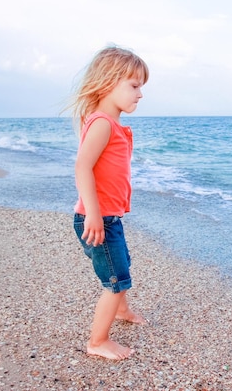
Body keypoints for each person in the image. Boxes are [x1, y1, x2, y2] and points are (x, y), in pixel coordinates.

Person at [70, 46, 149, 360]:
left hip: (109, 217)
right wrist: (92, 214)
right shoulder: (102, 123)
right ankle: (97, 341)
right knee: (114, 280)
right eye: (133, 86)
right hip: (97, 218)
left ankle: (121, 310)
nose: (140, 94)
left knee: (122, 267)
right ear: (108, 83)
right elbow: (82, 167)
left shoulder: (111, 124)